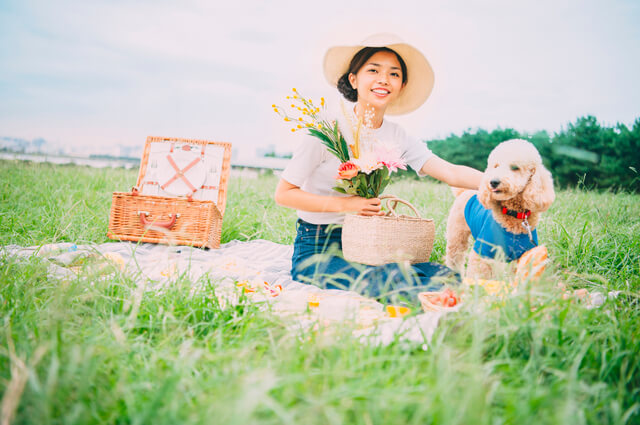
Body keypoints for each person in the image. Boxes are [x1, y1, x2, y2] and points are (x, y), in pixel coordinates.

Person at [274, 33, 483, 304]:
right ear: (354, 79)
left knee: (445, 275)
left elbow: (452, 173)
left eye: (394, 74)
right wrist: (348, 205)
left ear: (402, 85)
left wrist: (504, 183)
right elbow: (284, 194)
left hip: (371, 246)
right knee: (392, 283)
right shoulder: (328, 130)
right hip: (318, 248)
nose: (384, 79)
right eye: (373, 70)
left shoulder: (398, 136)